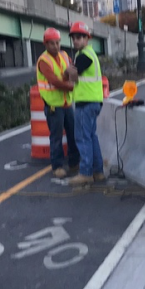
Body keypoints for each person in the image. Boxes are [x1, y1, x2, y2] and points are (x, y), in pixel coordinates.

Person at [37, 27, 80, 178]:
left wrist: (72, 77)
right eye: (52, 44)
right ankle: (57, 166)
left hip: (66, 103)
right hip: (53, 105)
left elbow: (72, 71)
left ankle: (74, 162)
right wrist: (70, 85)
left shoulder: (64, 55)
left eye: (57, 43)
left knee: (73, 133)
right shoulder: (43, 60)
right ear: (45, 44)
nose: (56, 46)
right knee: (56, 137)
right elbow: (54, 80)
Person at [65, 22, 105, 186]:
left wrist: (68, 70)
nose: (76, 40)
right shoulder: (89, 54)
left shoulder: (84, 56)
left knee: (82, 137)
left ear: (87, 39)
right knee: (91, 137)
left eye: (79, 37)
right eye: (74, 38)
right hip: (93, 101)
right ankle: (98, 171)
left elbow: (71, 75)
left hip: (86, 102)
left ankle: (86, 172)